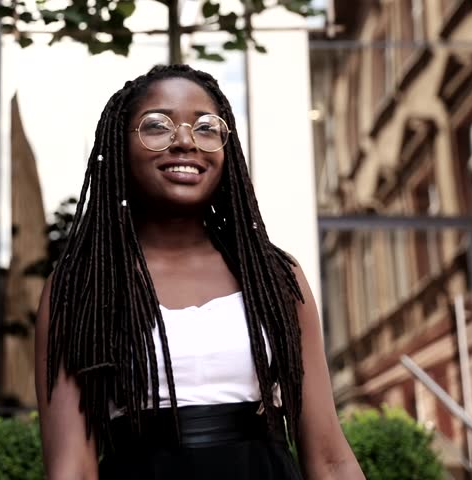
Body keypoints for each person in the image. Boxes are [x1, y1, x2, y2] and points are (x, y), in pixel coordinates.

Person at [34, 64, 364, 479]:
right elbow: (72, 470)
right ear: (120, 146)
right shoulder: (81, 286)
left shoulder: (276, 277)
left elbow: (330, 458)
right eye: (158, 126)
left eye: (206, 127)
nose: (186, 141)